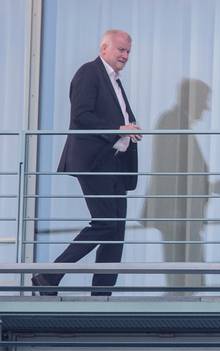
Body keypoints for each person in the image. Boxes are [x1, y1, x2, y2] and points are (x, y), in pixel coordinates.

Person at [31, 29, 142, 296]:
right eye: (121, 50)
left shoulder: (114, 80)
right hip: (95, 162)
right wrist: (120, 128)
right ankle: (49, 275)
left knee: (115, 232)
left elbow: (115, 118)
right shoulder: (89, 73)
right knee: (104, 223)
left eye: (128, 51)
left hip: (115, 164)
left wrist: (130, 129)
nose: (126, 56)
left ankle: (101, 297)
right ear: (104, 49)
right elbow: (81, 116)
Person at [140, 79, 220, 294]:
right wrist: (177, 209)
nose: (206, 108)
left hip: (181, 215)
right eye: (204, 101)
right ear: (192, 99)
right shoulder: (172, 123)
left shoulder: (177, 123)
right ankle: (174, 316)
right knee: (184, 278)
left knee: (189, 278)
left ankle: (178, 310)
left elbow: (181, 172)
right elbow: (168, 170)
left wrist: (207, 186)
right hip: (177, 216)